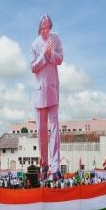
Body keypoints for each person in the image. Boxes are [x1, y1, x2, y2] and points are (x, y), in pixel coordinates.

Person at [31, 14, 63, 180]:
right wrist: (44, 55)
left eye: (48, 27)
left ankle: (56, 167)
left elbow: (61, 59)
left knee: (55, 130)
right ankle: (44, 164)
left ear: (50, 26)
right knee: (41, 133)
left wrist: (51, 54)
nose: (45, 30)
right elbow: (33, 67)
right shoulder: (35, 44)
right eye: (43, 28)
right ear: (39, 28)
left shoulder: (56, 38)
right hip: (39, 93)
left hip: (52, 90)